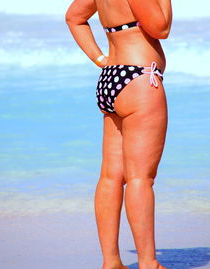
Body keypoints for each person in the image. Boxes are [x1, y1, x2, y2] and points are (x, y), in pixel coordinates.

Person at [65, 0, 172, 268]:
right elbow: (161, 28)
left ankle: (111, 261)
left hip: (111, 77)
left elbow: (74, 17)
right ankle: (148, 262)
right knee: (140, 178)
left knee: (111, 177)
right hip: (140, 79)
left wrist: (99, 59)